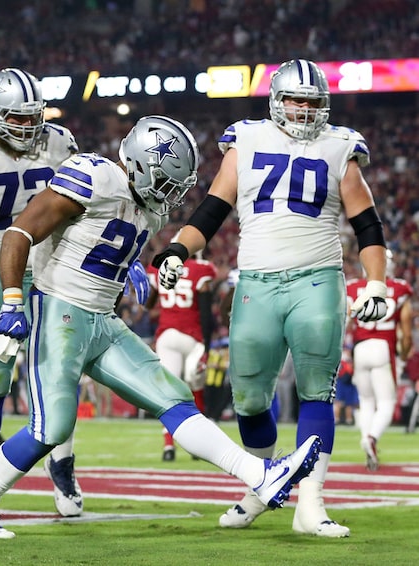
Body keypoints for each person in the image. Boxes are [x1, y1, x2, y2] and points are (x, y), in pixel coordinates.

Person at [0, 115, 321, 539]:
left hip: (101, 319)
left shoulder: (145, 210)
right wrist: (13, 301)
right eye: (165, 181)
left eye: (176, 185)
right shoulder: (94, 176)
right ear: (140, 163)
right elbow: (19, 234)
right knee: (51, 427)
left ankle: (260, 474)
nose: (169, 193)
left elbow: (102, 240)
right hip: (59, 312)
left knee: (174, 395)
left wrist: (126, 266)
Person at [151, 59, 388, 538]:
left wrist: (376, 281)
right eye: (296, 100)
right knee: (249, 396)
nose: (304, 109)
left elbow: (368, 224)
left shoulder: (341, 146)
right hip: (257, 281)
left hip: (319, 280)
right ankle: (261, 484)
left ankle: (311, 504)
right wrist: (179, 246)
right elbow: (214, 208)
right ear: (277, 101)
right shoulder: (247, 138)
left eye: (312, 101)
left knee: (316, 388)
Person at [0, 67, 84, 517]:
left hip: (52, 272)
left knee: (59, 377)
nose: (28, 126)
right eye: (16, 116)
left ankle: (63, 465)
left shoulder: (60, 142)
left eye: (34, 116)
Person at [146, 251, 217, 461]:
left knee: (169, 394)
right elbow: (205, 313)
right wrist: (207, 345)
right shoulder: (201, 269)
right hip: (193, 337)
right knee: (196, 390)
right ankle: (199, 446)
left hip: (167, 336)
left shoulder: (160, 267)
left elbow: (149, 304)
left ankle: (168, 446)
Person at [347, 249, 413, 471]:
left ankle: (368, 439)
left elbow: (344, 320)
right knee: (386, 402)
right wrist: (404, 354)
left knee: (366, 401)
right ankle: (372, 438)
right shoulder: (399, 288)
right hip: (383, 347)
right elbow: (406, 328)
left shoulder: (354, 287)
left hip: (359, 347)